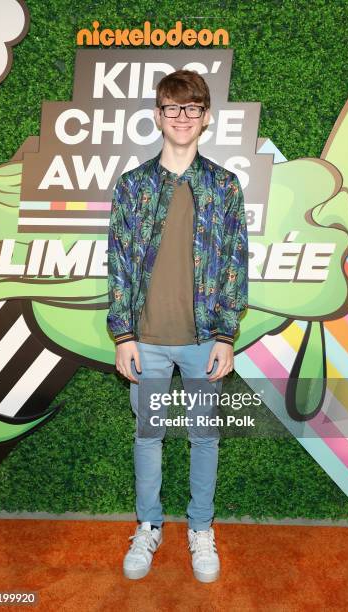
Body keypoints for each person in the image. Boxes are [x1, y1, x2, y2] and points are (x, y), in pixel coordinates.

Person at [107, 69, 248, 582]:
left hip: (204, 341)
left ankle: (200, 529)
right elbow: (118, 263)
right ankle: (148, 526)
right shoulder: (133, 186)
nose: (182, 117)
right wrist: (123, 335)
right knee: (148, 437)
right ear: (158, 116)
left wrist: (227, 335)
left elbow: (236, 261)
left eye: (192, 108)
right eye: (172, 108)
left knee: (204, 438)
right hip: (145, 342)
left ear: (205, 117)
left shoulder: (224, 186)